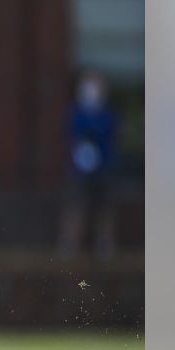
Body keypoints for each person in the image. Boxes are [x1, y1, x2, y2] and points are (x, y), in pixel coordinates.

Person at [58, 71, 118, 259]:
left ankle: (105, 243)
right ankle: (69, 243)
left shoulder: (108, 115)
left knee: (104, 207)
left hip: (104, 168)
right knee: (76, 205)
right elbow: (72, 134)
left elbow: (109, 136)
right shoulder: (75, 114)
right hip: (79, 169)